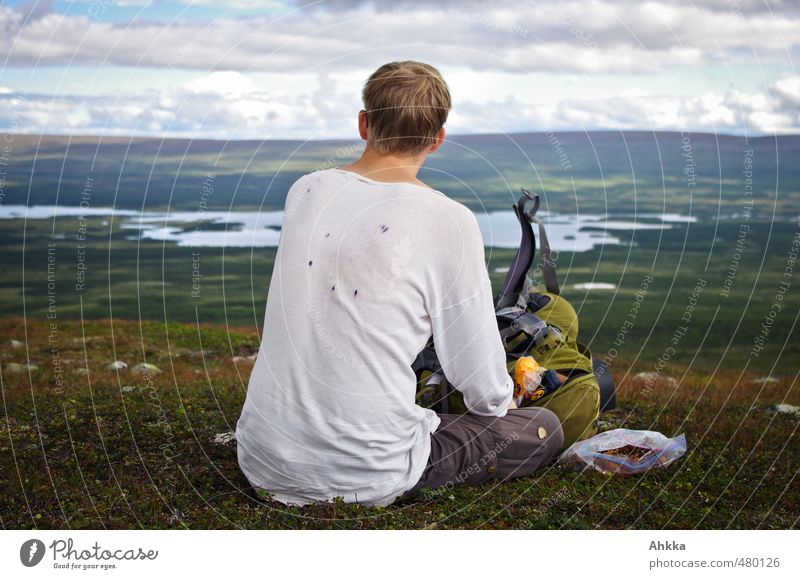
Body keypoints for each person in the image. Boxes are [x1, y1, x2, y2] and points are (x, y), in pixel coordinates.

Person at [235, 61, 564, 507]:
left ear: (364, 123)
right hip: (368, 474)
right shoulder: (449, 218)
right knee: (541, 430)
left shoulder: (306, 190)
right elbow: (479, 376)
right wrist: (503, 407)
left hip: (262, 458)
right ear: (437, 139)